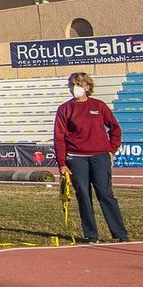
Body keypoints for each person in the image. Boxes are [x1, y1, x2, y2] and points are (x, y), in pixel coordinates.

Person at [53, 72, 128, 244]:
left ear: (87, 87)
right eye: (72, 84)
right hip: (76, 158)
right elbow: (59, 138)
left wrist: (111, 150)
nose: (75, 88)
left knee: (105, 193)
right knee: (83, 195)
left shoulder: (98, 106)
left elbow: (115, 129)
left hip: (99, 156)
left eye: (79, 84)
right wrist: (62, 163)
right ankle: (91, 234)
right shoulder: (65, 109)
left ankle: (120, 233)